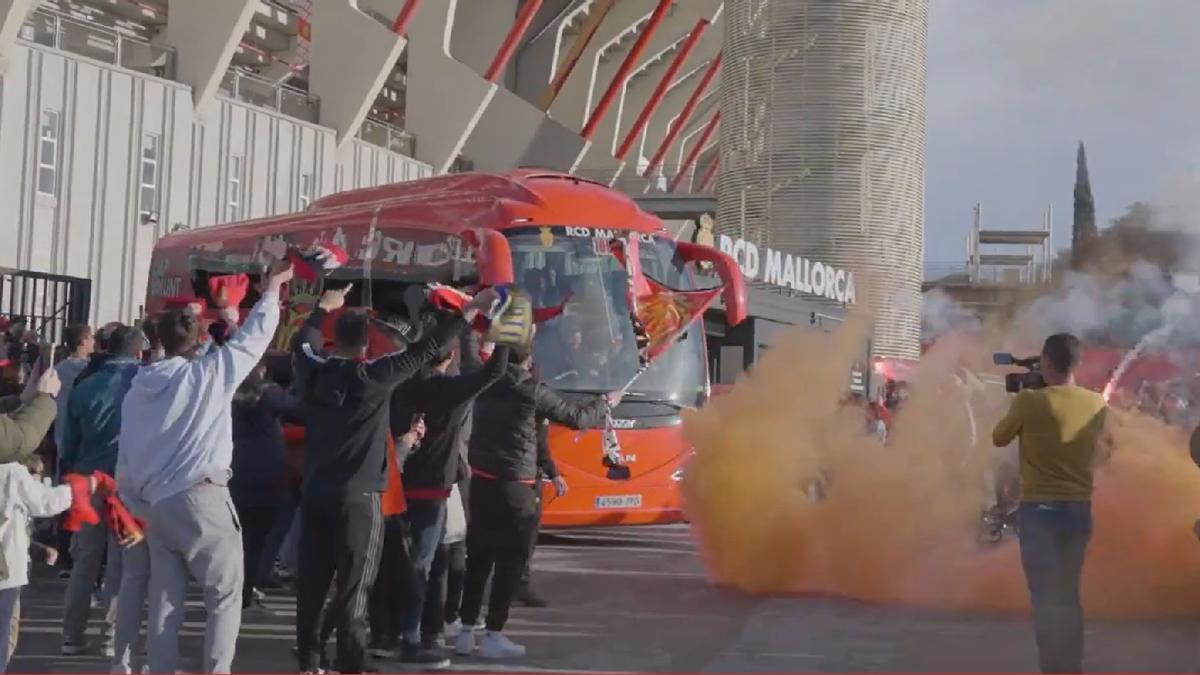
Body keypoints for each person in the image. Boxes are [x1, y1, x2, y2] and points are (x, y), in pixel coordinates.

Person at [291, 284, 498, 674]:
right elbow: (423, 351)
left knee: (314, 583)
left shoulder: (312, 370)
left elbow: (305, 340)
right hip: (359, 496)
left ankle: (310, 662)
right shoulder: (374, 377)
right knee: (355, 587)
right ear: (366, 345)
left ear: (335, 341)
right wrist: (468, 311)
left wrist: (322, 308)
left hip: (315, 491)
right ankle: (351, 663)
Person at [116, 263, 292, 674]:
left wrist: (137, 502)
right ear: (197, 341)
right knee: (224, 597)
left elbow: (128, 453)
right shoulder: (209, 375)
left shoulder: (138, 390)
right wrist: (271, 291)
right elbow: (254, 340)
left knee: (164, 598)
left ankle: (160, 669)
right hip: (202, 496)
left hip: (155, 503)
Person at [455, 346, 615, 659]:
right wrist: (605, 403)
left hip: (482, 482)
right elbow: (577, 417)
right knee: (509, 562)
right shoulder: (532, 390)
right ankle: (493, 634)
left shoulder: (485, 381)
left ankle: (465, 630)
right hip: (517, 486)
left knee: (478, 559)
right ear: (528, 359)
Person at [992, 333, 1108, 674]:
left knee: (1045, 597)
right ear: (1076, 363)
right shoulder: (1097, 403)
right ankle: (1072, 666)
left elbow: (999, 438)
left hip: (1040, 511)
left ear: (1045, 362)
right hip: (1078, 511)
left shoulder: (1029, 402)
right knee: (1069, 594)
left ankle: (1052, 668)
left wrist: (1031, 393)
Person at [395, 338, 508, 666]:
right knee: (423, 566)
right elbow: (494, 371)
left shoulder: (400, 381)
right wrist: (505, 331)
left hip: (396, 484)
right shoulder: (452, 391)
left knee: (412, 563)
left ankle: (402, 632)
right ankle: (412, 637)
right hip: (432, 491)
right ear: (451, 357)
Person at [59, 325, 142, 657]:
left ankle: (72, 635)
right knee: (122, 561)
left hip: (86, 481)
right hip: (125, 484)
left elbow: (68, 444)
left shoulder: (85, 385)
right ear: (137, 352)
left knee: (85, 560)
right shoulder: (143, 382)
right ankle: (112, 635)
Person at [0, 460, 90, 673]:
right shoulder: (12, 471)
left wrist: (38, 550)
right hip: (6, 575)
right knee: (5, 634)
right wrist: (78, 488)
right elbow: (45, 501)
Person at [230, 362, 299, 612]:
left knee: (240, 536)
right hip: (267, 475)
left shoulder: (229, 392)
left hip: (236, 471)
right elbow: (299, 411)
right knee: (261, 536)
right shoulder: (269, 395)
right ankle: (248, 586)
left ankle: (239, 588)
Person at [515, 415, 567, 608]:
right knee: (526, 537)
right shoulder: (535, 401)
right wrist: (554, 475)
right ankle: (519, 586)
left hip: (494, 477)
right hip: (526, 480)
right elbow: (541, 449)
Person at [53, 324, 94, 455]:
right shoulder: (88, 369)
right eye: (91, 338)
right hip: (81, 430)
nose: (93, 341)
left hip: (60, 427)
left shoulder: (59, 368)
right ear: (83, 341)